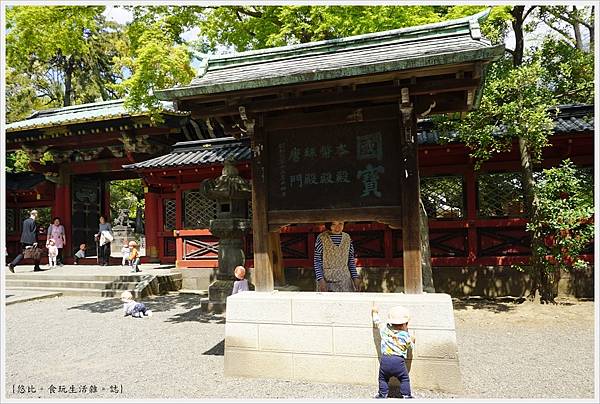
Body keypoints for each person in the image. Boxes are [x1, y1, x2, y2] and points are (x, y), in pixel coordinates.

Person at [372, 305, 416, 399]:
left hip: (385, 360)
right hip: (398, 362)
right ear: (405, 324)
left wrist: (375, 312)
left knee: (382, 378)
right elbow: (410, 346)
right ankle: (406, 395)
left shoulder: (385, 329)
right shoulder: (405, 336)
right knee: (404, 379)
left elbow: (377, 322)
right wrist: (413, 339)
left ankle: (382, 395)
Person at [314, 221, 362, 292]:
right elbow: (317, 261)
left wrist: (355, 277)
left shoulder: (347, 238)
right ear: (329, 224)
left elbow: (350, 260)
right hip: (326, 280)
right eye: (333, 224)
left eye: (340, 224)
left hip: (345, 280)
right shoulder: (321, 238)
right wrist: (320, 279)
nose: (337, 228)